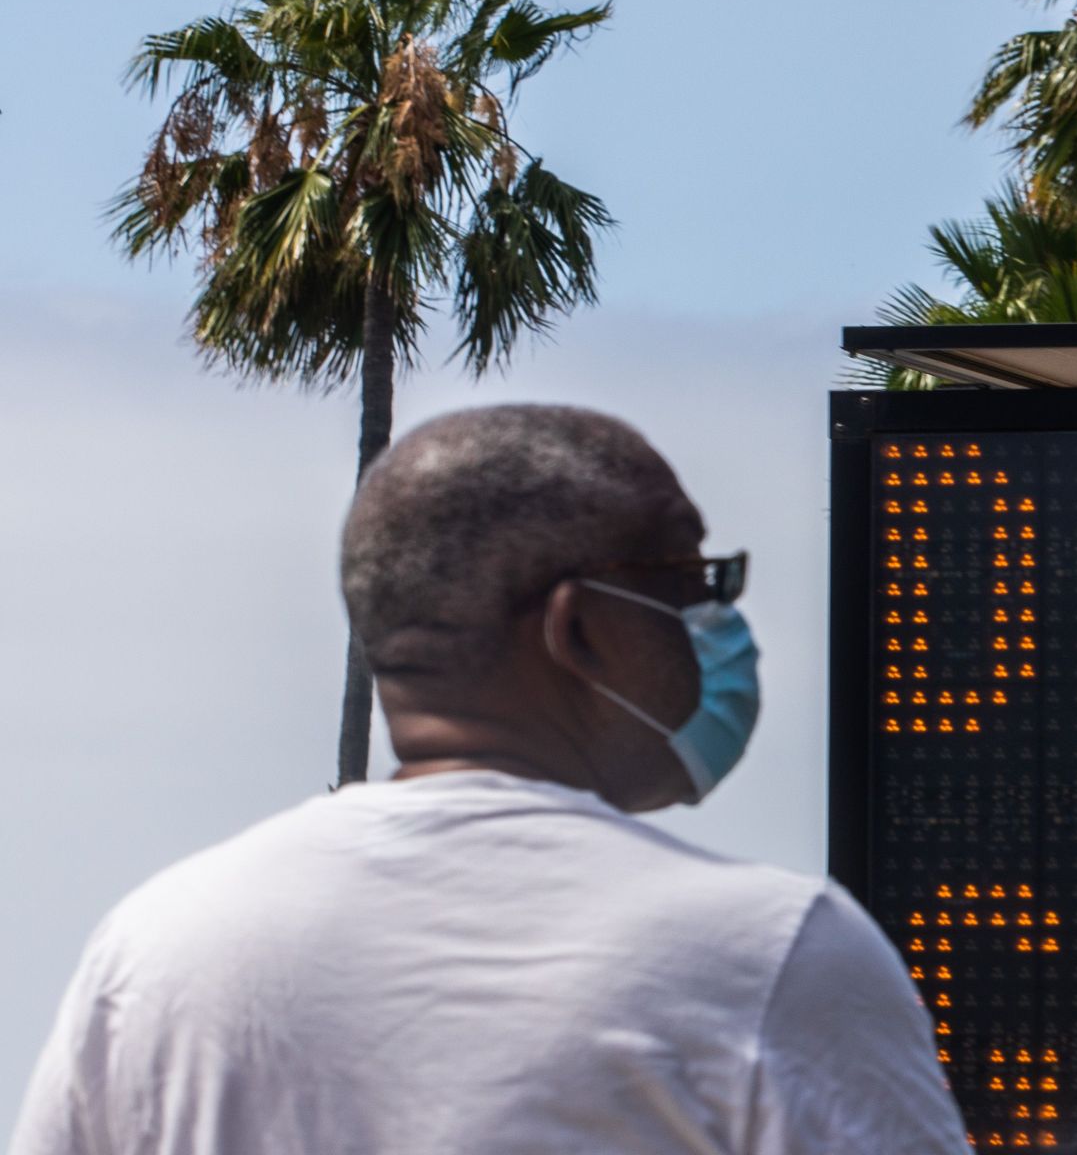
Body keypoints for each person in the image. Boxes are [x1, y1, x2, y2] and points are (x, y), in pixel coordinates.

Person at [8, 405, 969, 1154]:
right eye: (696, 586)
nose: (722, 625)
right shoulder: (770, 956)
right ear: (579, 629)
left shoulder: (161, 945)